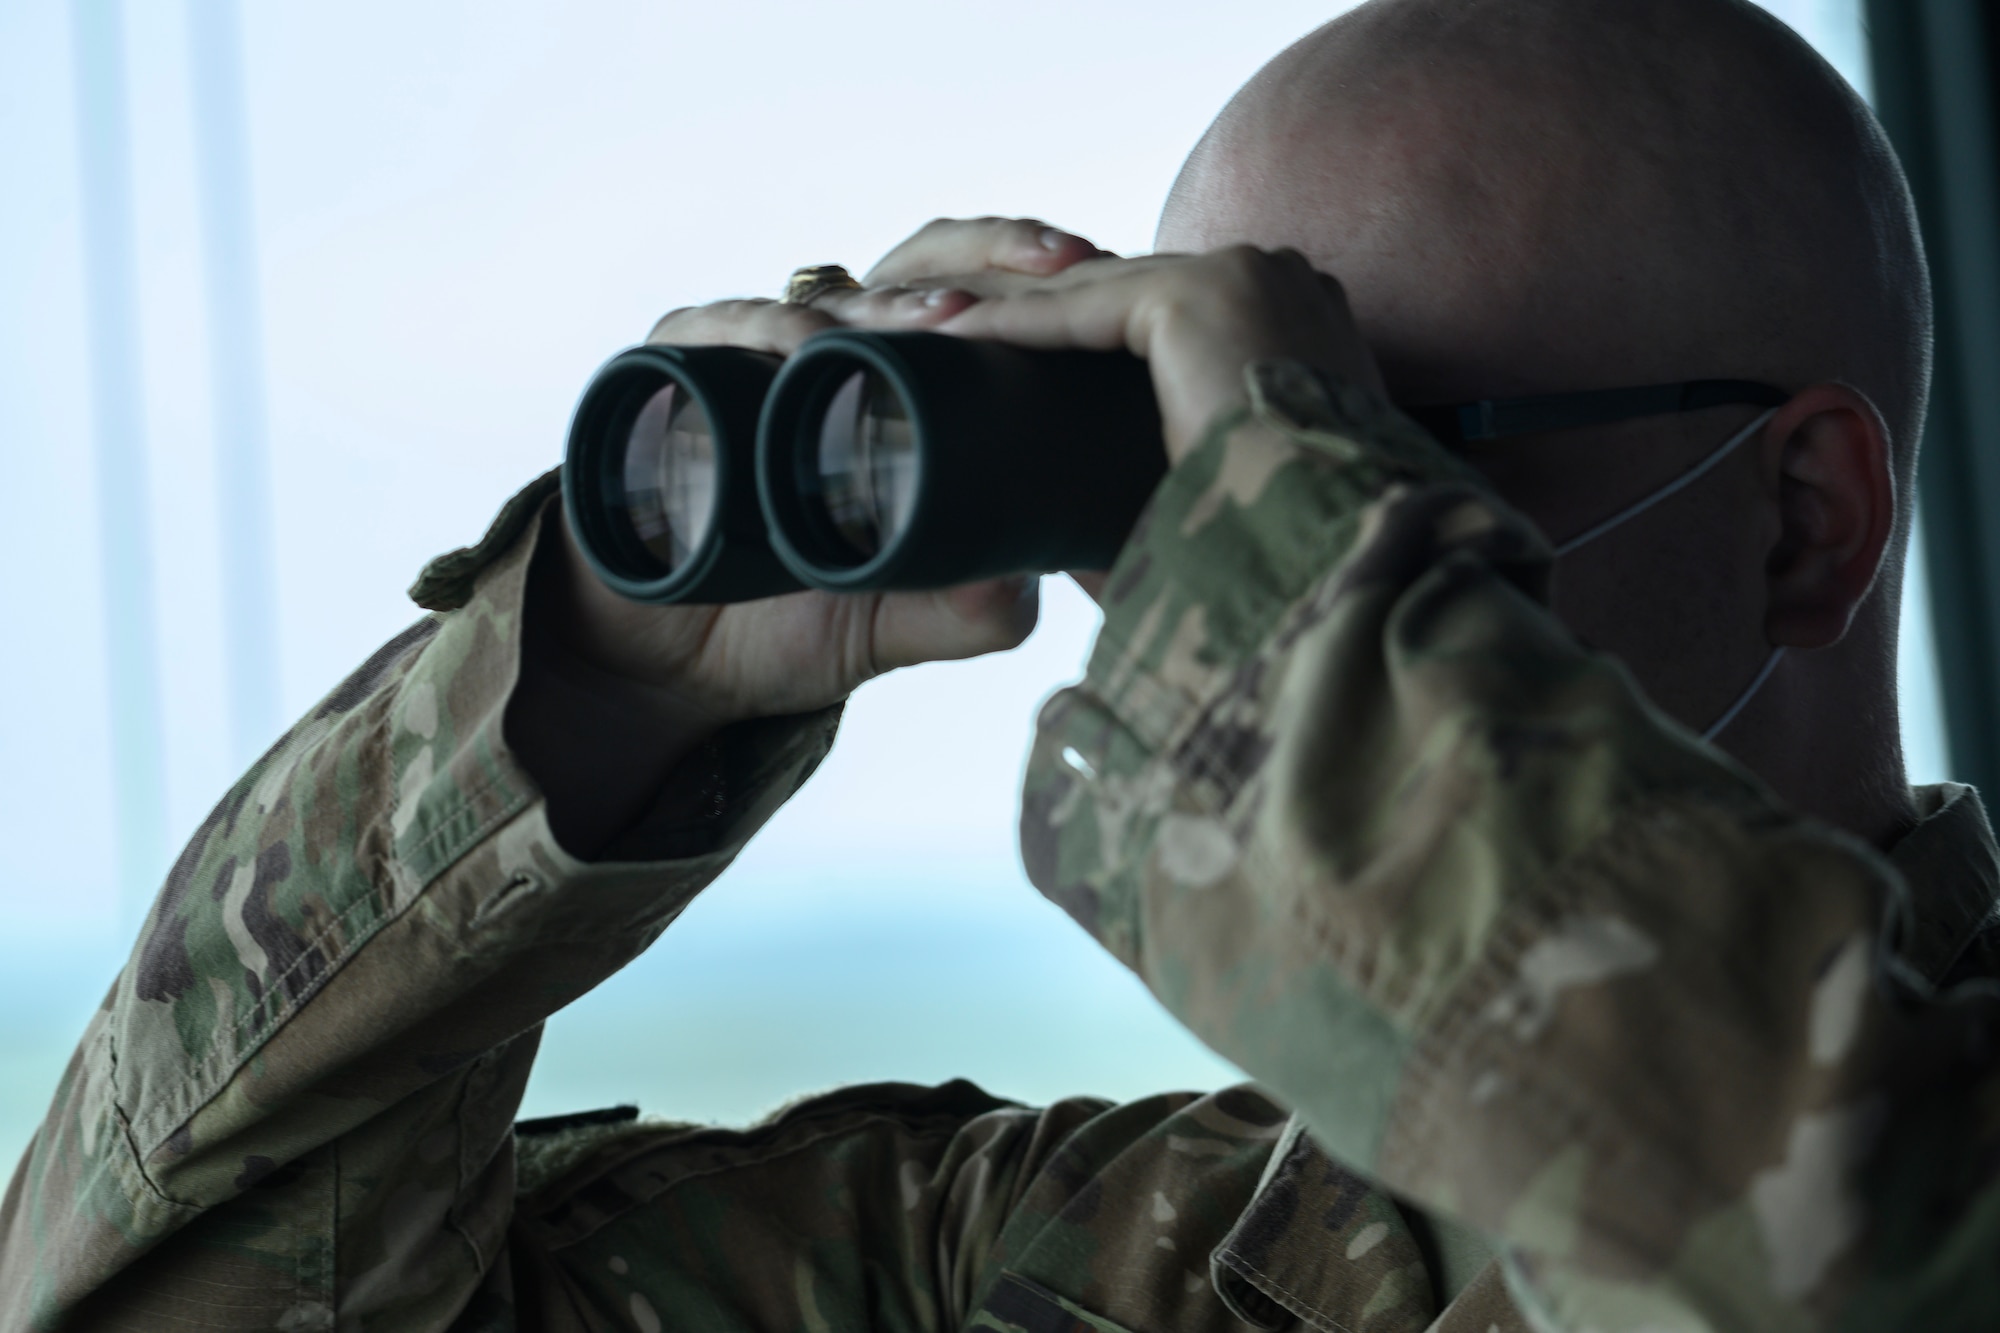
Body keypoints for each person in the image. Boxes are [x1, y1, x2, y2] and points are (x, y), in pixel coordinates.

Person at [3, 0, 1994, 1327]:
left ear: (1800, 517)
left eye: (1354, 451)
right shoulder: (1113, 1266)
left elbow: (1826, 1256)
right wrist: (597, 690)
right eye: (1197, 448)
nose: (1217, 554)